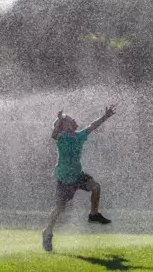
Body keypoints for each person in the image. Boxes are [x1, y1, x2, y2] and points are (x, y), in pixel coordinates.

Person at [42, 104, 116, 252]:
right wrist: (57, 122)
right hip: (64, 178)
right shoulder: (61, 137)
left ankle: (94, 214)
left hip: (77, 175)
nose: (74, 120)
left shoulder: (80, 135)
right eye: (70, 120)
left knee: (96, 187)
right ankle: (47, 232)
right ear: (63, 126)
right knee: (59, 209)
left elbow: (93, 126)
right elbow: (53, 135)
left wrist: (105, 116)